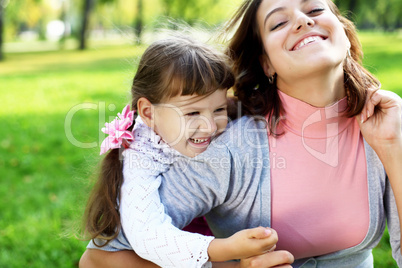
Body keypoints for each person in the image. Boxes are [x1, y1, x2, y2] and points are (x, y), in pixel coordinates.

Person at [80, 0, 402, 267]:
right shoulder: (230, 148)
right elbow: (98, 259)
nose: (303, 22)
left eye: (315, 10)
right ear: (266, 63)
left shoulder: (385, 126)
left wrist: (393, 147)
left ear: (344, 34)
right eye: (278, 23)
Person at [81, 35, 279, 268]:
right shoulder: (140, 161)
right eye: (192, 114)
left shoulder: (191, 124)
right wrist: (227, 249)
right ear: (148, 113)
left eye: (218, 109)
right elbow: (148, 237)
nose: (210, 127)